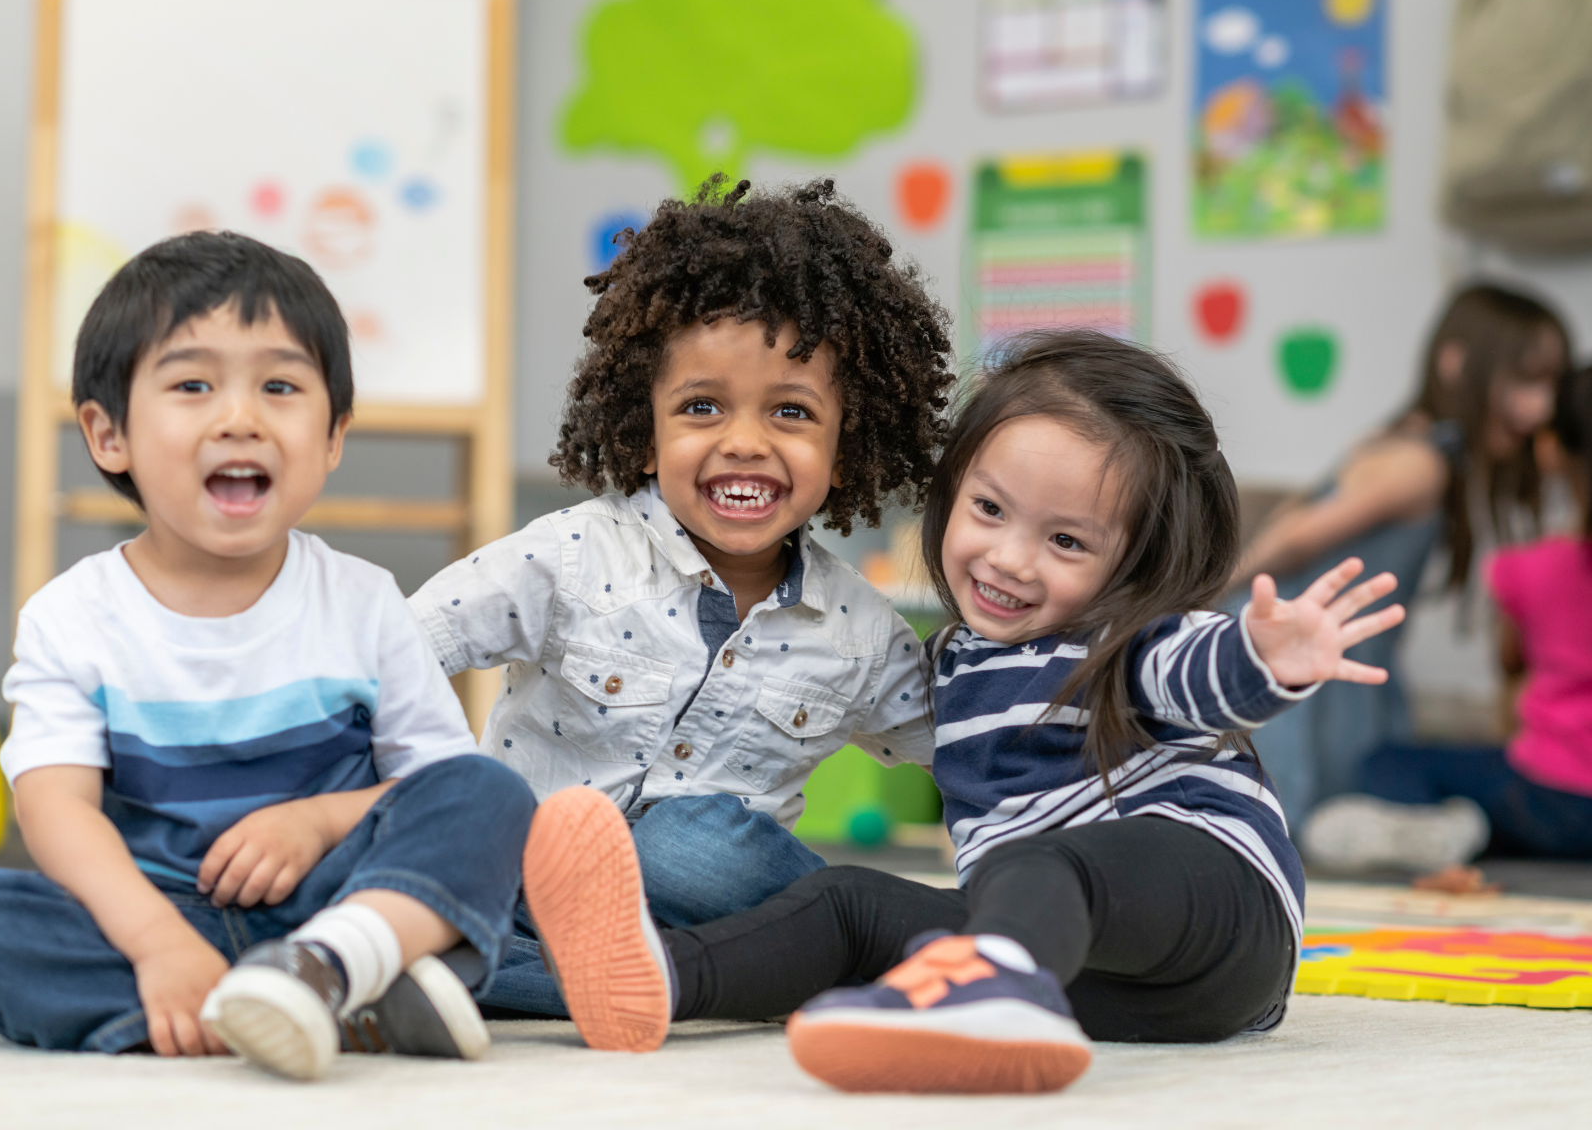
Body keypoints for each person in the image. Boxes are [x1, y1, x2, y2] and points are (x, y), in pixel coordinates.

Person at [514, 329, 1408, 1092]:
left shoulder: (1119, 641)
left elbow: (1198, 672)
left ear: (1131, 568)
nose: (1010, 559)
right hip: (1081, 973)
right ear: (949, 498)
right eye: (989, 510)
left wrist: (1264, 659)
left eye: (1065, 540)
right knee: (848, 905)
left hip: (1217, 915)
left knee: (1051, 864)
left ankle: (992, 996)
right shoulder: (950, 664)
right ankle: (655, 981)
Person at [0, 232, 536, 1082]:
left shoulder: (362, 599)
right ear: (108, 433)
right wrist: (159, 943)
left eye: (280, 387)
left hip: (334, 901)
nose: (239, 418)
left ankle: (326, 973)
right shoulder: (72, 616)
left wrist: (316, 823)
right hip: (158, 915)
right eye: (193, 385)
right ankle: (300, 1003)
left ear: (333, 436)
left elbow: (430, 787)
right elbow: (58, 809)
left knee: (490, 790)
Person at [409, 177, 954, 1016]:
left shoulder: (861, 637)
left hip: (709, 902)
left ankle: (883, 949)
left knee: (688, 844)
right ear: (646, 425)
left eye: (791, 413)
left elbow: (968, 758)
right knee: (438, 910)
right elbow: (399, 649)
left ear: (846, 447)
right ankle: (619, 982)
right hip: (518, 890)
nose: (744, 442)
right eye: (702, 407)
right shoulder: (570, 556)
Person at [1234, 284, 1569, 828]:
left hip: (1331, 663)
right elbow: (1298, 533)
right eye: (1526, 381)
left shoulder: (1412, 445)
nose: (1541, 408)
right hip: (1293, 660)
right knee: (1301, 824)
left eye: (1550, 385)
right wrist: (1194, 594)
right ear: (1456, 364)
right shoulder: (1420, 464)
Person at [1303, 364, 1592, 873]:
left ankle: (1461, 832)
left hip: (1548, 796)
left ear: (1550, 449)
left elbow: (1510, 666)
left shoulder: (1529, 570)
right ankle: (1474, 831)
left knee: (1386, 760)